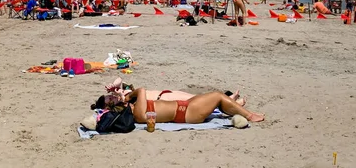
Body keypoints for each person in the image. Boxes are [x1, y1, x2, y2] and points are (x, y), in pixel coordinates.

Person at [119, 87, 264, 124]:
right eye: (127, 105)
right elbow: (142, 90)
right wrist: (129, 96)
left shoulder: (138, 111)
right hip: (187, 113)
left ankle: (238, 109)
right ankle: (249, 115)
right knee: (218, 96)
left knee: (216, 98)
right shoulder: (138, 114)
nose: (130, 105)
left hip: (186, 108)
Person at [102, 78, 248, 106]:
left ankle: (229, 99)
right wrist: (121, 97)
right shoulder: (123, 104)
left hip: (167, 93)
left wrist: (113, 86)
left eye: (109, 96)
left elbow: (119, 78)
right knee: (201, 100)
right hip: (165, 100)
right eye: (110, 99)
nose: (112, 96)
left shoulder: (124, 91)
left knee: (200, 98)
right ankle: (232, 102)